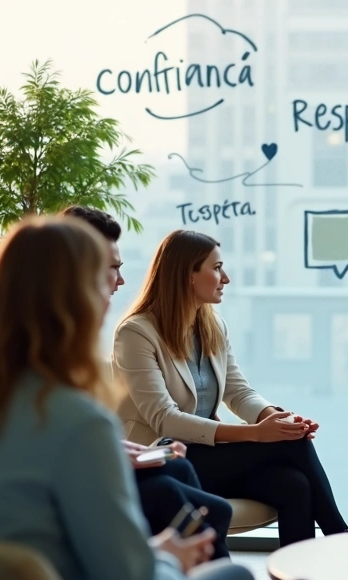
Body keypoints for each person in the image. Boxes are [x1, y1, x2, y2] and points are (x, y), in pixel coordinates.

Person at [0, 217, 257, 580]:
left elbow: (35, 540)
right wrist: (169, 563)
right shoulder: (77, 423)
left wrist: (152, 553)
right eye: (101, 281)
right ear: (74, 301)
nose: (112, 295)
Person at [113, 229, 348, 548]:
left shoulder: (212, 326)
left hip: (206, 456)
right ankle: (342, 543)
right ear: (188, 275)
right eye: (217, 268)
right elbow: (165, 419)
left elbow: (238, 391)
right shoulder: (136, 333)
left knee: (295, 484)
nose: (226, 278)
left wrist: (275, 419)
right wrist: (257, 434)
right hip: (164, 459)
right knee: (292, 444)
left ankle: (304, 577)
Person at [62, 205, 233, 560]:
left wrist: (134, 453)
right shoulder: (132, 333)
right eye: (113, 268)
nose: (121, 280)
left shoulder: (69, 346)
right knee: (209, 506)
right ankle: (207, 579)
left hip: (106, 468)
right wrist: (255, 433)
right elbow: (55, 453)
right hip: (76, 492)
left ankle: (205, 578)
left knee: (181, 468)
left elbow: (73, 441)